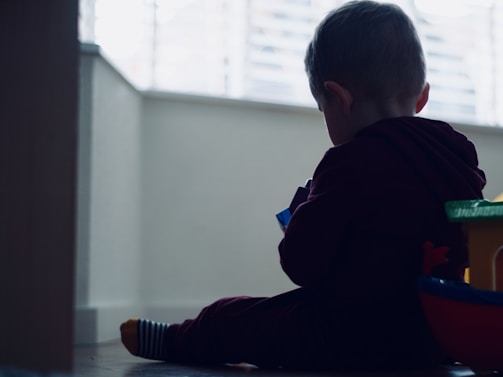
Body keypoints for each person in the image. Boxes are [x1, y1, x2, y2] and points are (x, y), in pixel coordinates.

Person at [120, 1, 486, 371]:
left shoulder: (348, 162)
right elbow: (471, 245)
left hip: (349, 337)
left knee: (233, 318)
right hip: (435, 338)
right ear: (421, 96)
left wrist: (302, 212)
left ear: (340, 99)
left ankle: (173, 339)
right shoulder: (459, 157)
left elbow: (302, 265)